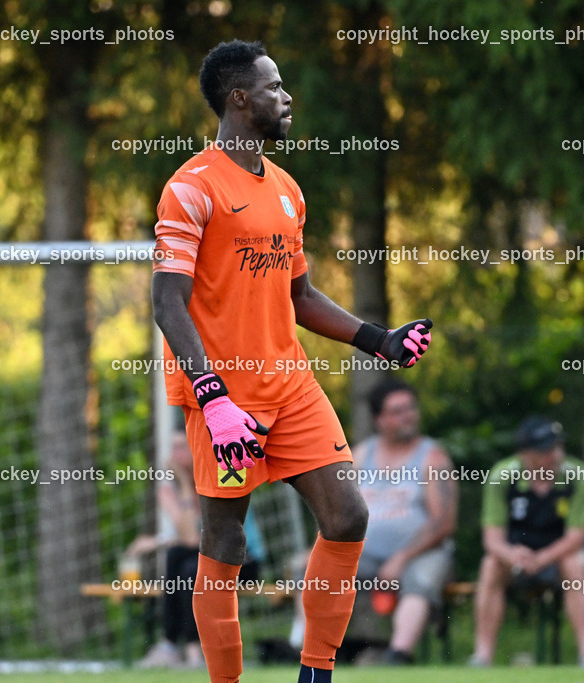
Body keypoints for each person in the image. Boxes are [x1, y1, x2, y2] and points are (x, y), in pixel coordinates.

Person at [151, 39, 433, 683]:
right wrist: (213, 399)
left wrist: (378, 339)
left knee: (348, 516)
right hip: (224, 399)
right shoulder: (190, 189)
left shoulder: (285, 189)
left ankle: (316, 673)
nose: (288, 98)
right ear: (240, 99)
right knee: (225, 543)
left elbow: (299, 295)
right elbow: (168, 304)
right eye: (275, 87)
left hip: (290, 385)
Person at [469, 416, 584, 668]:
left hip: (559, 553)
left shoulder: (577, 475)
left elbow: (577, 537)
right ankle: (482, 655)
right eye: (546, 451)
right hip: (515, 554)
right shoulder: (502, 476)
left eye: (557, 448)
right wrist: (512, 555)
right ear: (525, 454)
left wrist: (542, 559)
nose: (554, 456)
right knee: (490, 565)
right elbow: (492, 539)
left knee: (574, 565)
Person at [128, 430, 265, 669]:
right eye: (173, 447)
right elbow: (188, 538)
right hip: (209, 554)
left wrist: (183, 482)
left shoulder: (220, 475)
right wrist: (181, 484)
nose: (176, 453)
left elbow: (192, 538)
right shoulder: (168, 489)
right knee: (176, 557)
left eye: (183, 446)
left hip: (243, 560)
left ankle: (194, 653)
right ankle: (170, 644)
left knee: (192, 569)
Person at [349, 379, 456, 664]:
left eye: (410, 408)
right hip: (366, 554)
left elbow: (443, 523)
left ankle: (397, 657)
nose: (407, 415)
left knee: (420, 579)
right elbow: (341, 511)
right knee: (310, 567)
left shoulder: (433, 458)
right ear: (379, 420)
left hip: (422, 553)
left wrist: (401, 558)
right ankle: (305, 647)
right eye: (397, 411)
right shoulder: (361, 456)